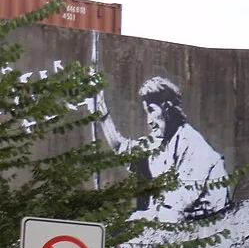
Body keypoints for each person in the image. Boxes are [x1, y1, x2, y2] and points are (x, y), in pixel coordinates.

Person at [96, 75, 231, 222]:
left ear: (166, 108)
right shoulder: (160, 142)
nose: (149, 121)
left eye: (151, 110)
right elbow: (121, 147)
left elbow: (179, 205)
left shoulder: (192, 144)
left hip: (206, 224)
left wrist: (144, 216)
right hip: (175, 220)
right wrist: (102, 114)